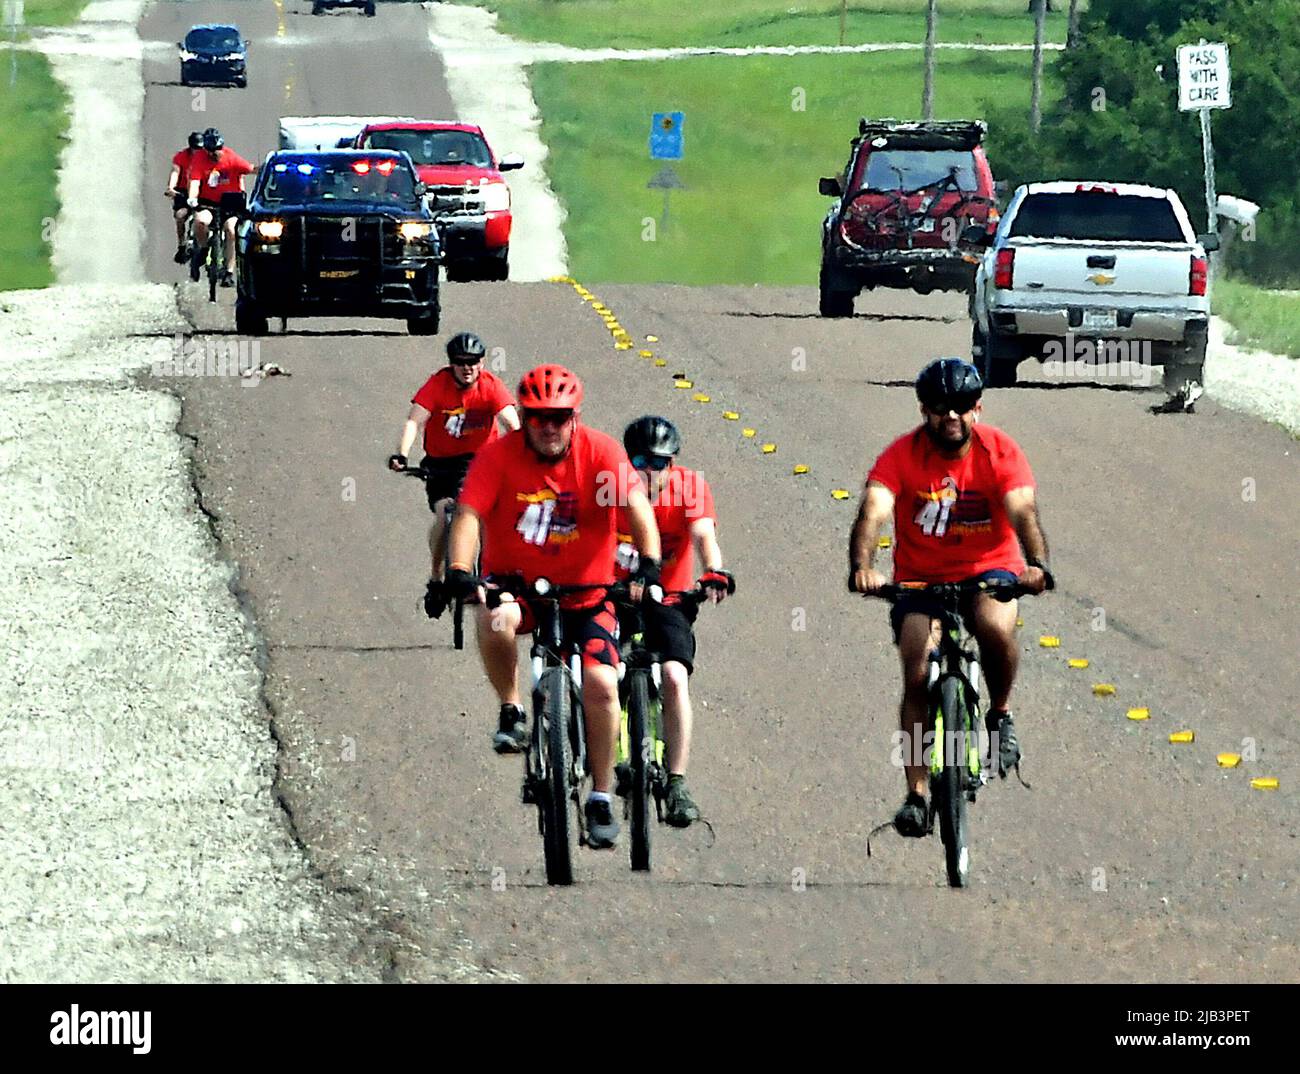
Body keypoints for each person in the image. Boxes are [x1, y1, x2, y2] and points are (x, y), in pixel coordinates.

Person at [444, 365, 662, 850]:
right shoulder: (498, 457)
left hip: (588, 594)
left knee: (604, 684)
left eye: (559, 417)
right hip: (519, 588)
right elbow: (469, 514)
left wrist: (648, 563)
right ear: (523, 415)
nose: (548, 427)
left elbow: (636, 507)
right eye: (538, 417)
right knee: (494, 618)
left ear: (575, 417)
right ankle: (512, 707)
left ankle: (601, 795)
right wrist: (459, 568)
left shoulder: (602, 453)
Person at [847, 358, 1054, 838]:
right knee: (916, 667)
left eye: (962, 407)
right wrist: (863, 567)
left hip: (990, 570)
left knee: (995, 627)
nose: (952, 416)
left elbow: (1022, 509)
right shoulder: (901, 455)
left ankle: (999, 713)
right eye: (940, 408)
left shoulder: (999, 451)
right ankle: (916, 794)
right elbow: (873, 511)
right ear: (924, 410)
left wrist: (1037, 565)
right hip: (920, 578)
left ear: (977, 409)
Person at [614, 416, 734, 828]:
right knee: (603, 671)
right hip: (611, 594)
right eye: (641, 461)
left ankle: (678, 780)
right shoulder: (608, 489)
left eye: (661, 462)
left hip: (670, 597)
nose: (651, 471)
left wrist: (714, 571)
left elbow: (703, 536)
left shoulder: (690, 487)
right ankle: (606, 759)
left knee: (674, 676)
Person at [386, 332, 519, 617]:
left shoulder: (491, 386)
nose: (467, 367)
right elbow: (415, 420)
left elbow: (512, 422)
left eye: (473, 361)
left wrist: (526, 454)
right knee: (446, 515)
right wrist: (401, 453)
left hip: (483, 464)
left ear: (482, 362)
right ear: (451, 364)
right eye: (460, 362)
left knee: (487, 518)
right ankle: (436, 580)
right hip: (442, 466)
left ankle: (488, 575)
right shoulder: (438, 385)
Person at [187, 128, 255, 287]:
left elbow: (251, 169)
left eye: (218, 149)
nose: (215, 154)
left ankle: (229, 272)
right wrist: (192, 197)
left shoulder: (231, 157)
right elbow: (195, 181)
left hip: (229, 205)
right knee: (200, 221)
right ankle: (203, 249)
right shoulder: (199, 159)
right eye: (211, 151)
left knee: (231, 229)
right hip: (207, 203)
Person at [165, 131, 203, 264]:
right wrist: (171, 187)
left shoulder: (207, 158)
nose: (197, 151)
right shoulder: (181, 157)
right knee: (180, 216)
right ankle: (182, 245)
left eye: (200, 148)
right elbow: (175, 172)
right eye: (195, 148)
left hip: (203, 191)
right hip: (183, 192)